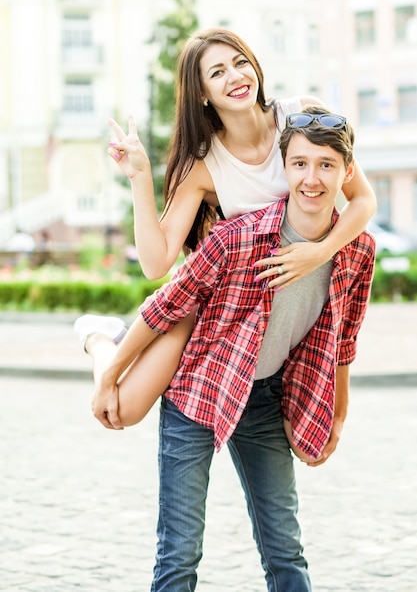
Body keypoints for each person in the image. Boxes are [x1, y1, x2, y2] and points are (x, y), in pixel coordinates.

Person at [86, 107, 376, 590]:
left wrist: (339, 414)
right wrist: (112, 373)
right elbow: (166, 305)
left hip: (264, 399)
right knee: (180, 551)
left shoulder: (357, 249)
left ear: (347, 172)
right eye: (300, 164)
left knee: (285, 548)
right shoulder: (236, 238)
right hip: (198, 393)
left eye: (326, 165)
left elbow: (346, 337)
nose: (312, 178)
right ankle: (100, 342)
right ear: (285, 168)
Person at [74, 27, 376, 430]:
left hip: (268, 312)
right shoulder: (204, 164)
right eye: (217, 73)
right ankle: (101, 339)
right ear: (202, 93)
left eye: (239, 63)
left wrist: (320, 252)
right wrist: (140, 178)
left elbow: (363, 200)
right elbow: (156, 263)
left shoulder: (301, 116)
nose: (235, 77)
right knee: (122, 413)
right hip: (214, 296)